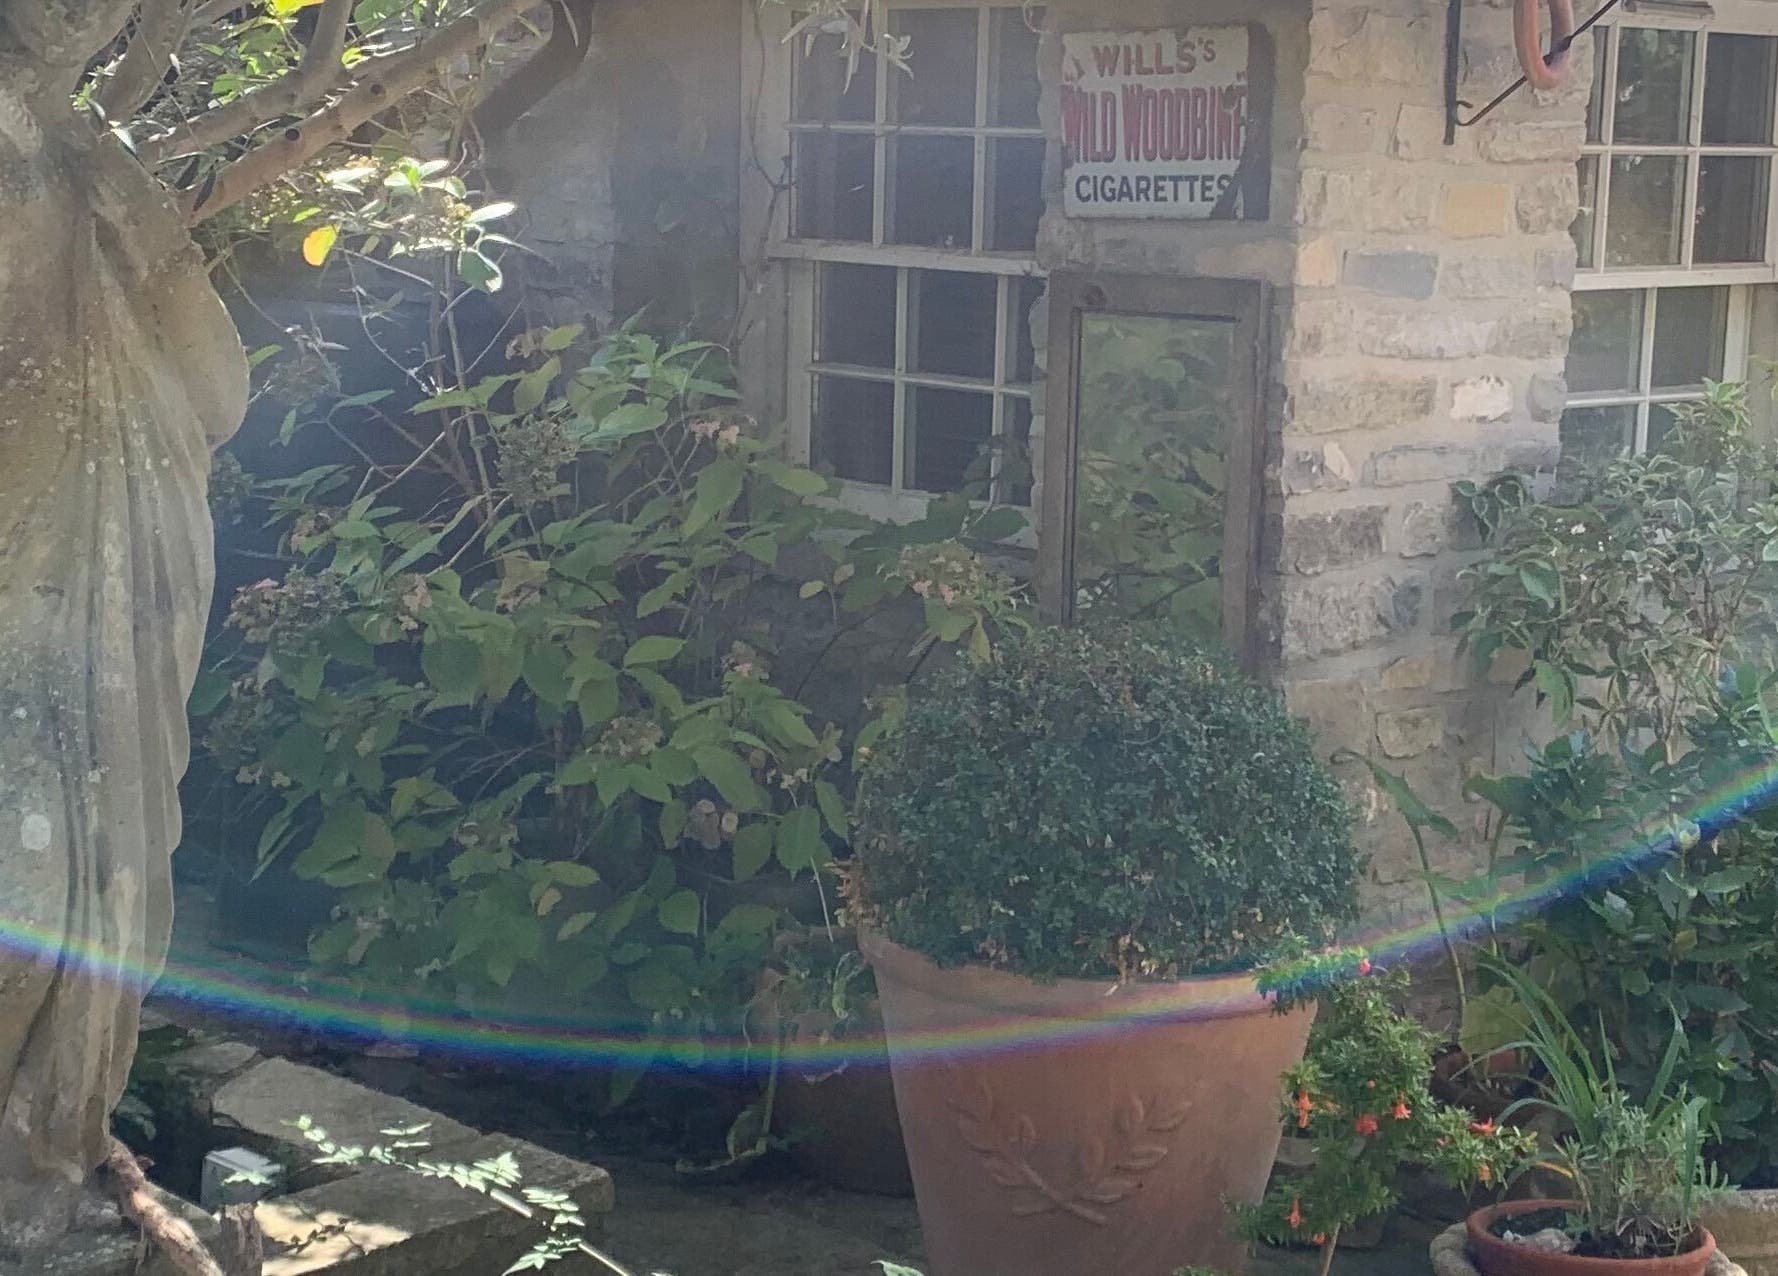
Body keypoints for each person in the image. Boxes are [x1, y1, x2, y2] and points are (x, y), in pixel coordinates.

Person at [0, 3, 246, 1250]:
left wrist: (133, 230)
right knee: (27, 877)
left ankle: (56, 1154)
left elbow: (215, 387)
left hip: (100, 583)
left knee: (98, 889)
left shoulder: (85, 152)